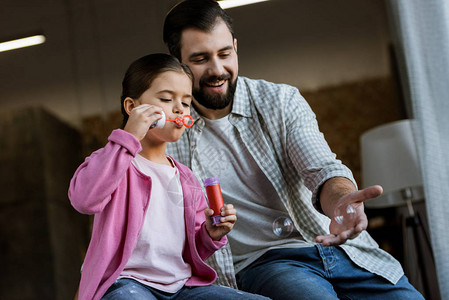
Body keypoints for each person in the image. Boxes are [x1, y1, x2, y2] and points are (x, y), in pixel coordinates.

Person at [162, 1, 424, 299]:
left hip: (338, 249)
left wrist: (340, 200)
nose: (217, 70)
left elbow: (322, 168)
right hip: (269, 264)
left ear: (235, 47)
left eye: (224, 54)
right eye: (200, 59)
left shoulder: (280, 101)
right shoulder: (166, 133)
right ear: (177, 62)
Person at [68, 53, 269, 300]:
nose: (178, 109)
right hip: (127, 284)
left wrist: (210, 233)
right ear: (132, 107)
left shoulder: (186, 177)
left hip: (182, 287)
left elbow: (192, 248)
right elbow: (84, 199)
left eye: (185, 103)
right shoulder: (113, 161)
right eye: (166, 98)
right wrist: (128, 136)